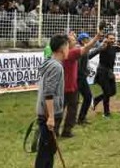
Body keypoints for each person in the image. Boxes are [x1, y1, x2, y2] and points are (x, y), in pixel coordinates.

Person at [56, 30, 101, 138]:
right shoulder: (71, 53)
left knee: (60, 109)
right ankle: (66, 131)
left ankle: (55, 131)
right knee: (72, 109)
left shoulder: (62, 53)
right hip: (71, 86)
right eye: (72, 40)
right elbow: (86, 49)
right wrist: (96, 38)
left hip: (65, 85)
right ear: (67, 43)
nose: (75, 41)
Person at [34, 34, 69, 168]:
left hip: (47, 112)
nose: (68, 50)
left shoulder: (49, 62)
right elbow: (49, 93)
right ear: (62, 49)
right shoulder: (56, 66)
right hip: (49, 114)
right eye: (67, 47)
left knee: (49, 150)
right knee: (46, 151)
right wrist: (51, 117)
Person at [76, 33, 96, 125]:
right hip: (80, 78)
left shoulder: (83, 49)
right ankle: (80, 118)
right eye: (87, 38)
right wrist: (84, 73)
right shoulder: (80, 49)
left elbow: (89, 56)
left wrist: (99, 49)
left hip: (80, 77)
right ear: (82, 40)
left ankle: (81, 118)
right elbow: (79, 65)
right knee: (87, 97)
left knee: (85, 98)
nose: (88, 40)